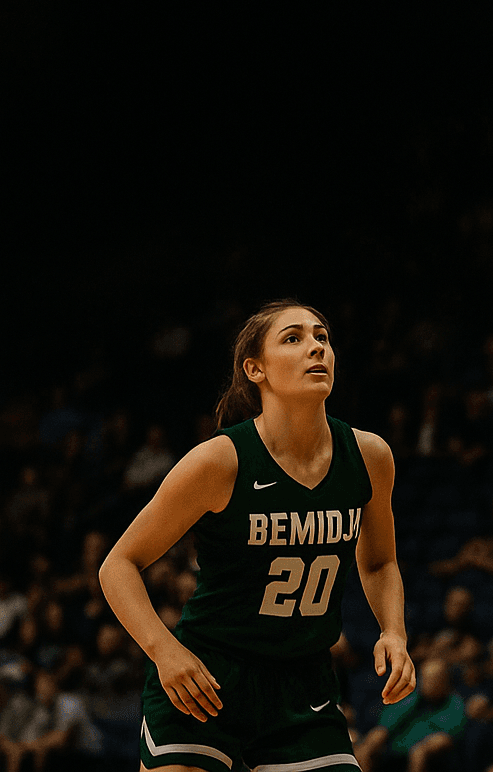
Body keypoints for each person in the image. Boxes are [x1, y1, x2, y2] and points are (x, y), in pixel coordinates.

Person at [100, 300, 416, 772]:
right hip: (208, 674)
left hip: (303, 681)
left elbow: (378, 563)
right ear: (256, 369)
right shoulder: (219, 461)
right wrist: (165, 651)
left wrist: (393, 631)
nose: (316, 348)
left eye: (322, 337)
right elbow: (118, 565)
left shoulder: (370, 456)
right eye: (293, 338)